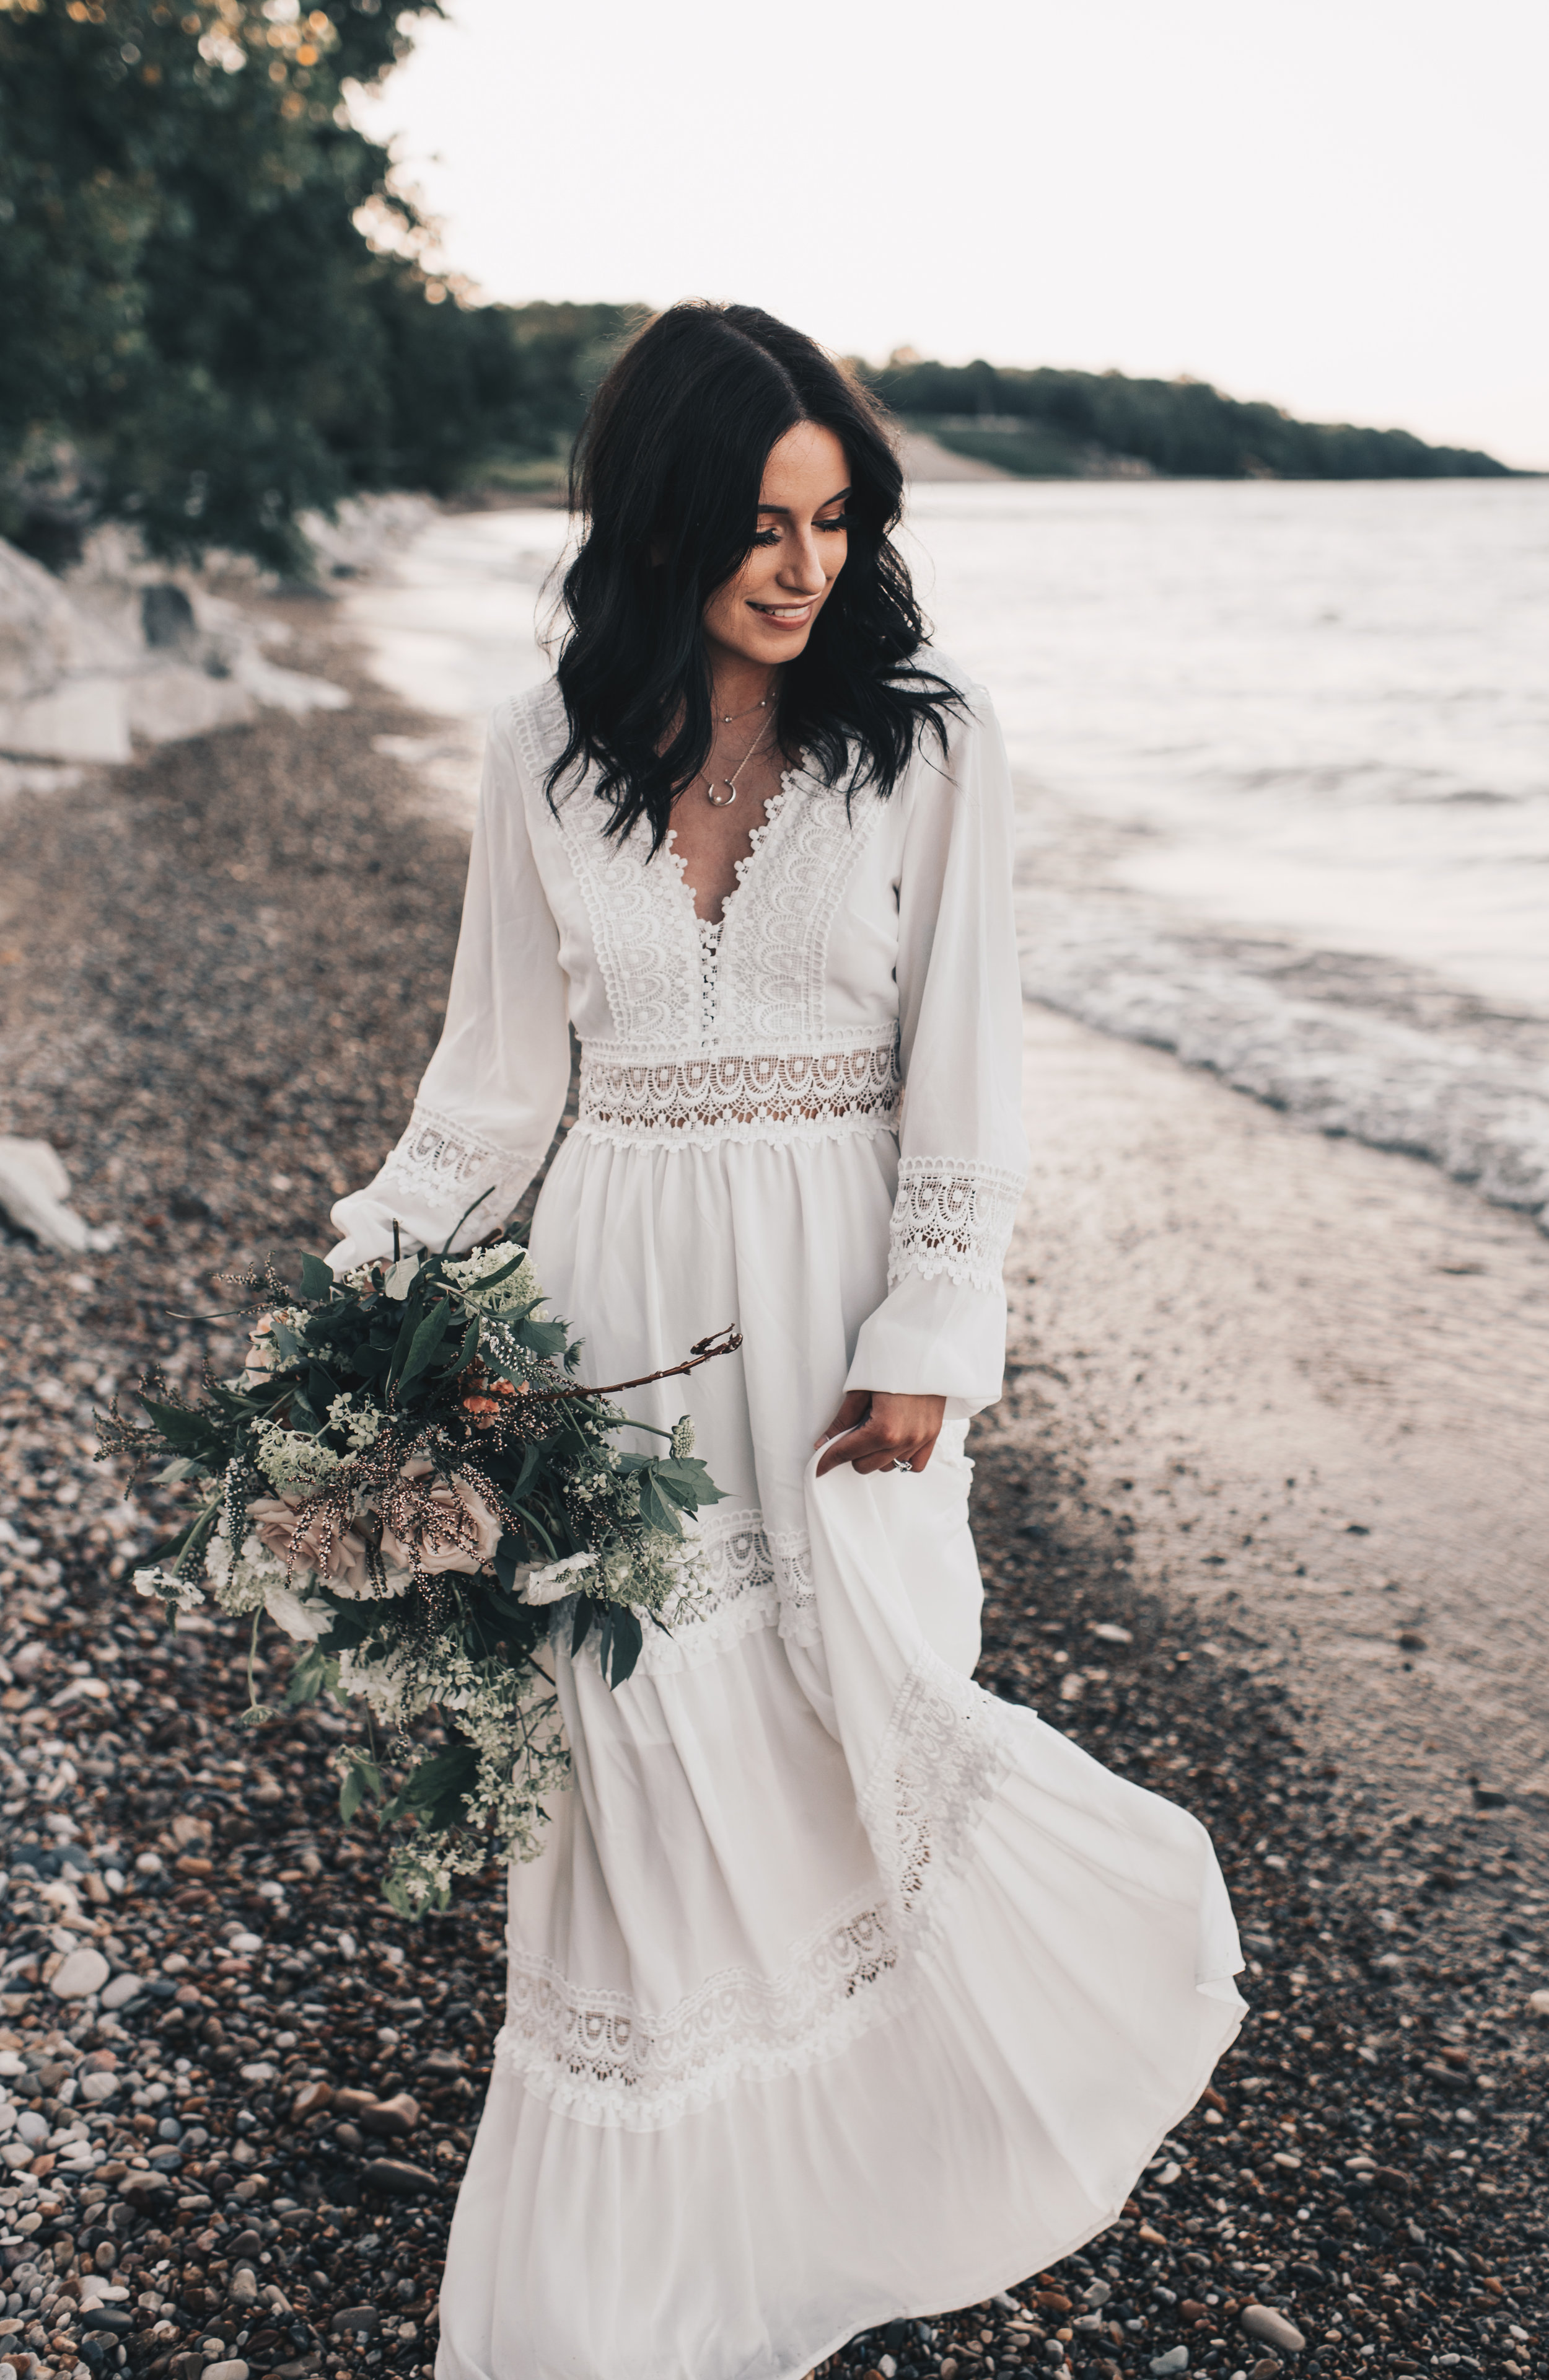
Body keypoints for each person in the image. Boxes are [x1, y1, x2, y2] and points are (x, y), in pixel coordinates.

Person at [328, 302, 1243, 2380]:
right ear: (660, 519)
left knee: (853, 1741)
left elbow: (965, 1082)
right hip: (607, 1323)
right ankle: (615, 2303)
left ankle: (849, 2195)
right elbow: (493, 1087)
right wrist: (365, 1292)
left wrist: (933, 1328)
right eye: (757, 519)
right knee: (635, 1780)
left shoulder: (928, 741)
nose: (803, 563)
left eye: (834, 518)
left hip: (833, 1329)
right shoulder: (540, 746)